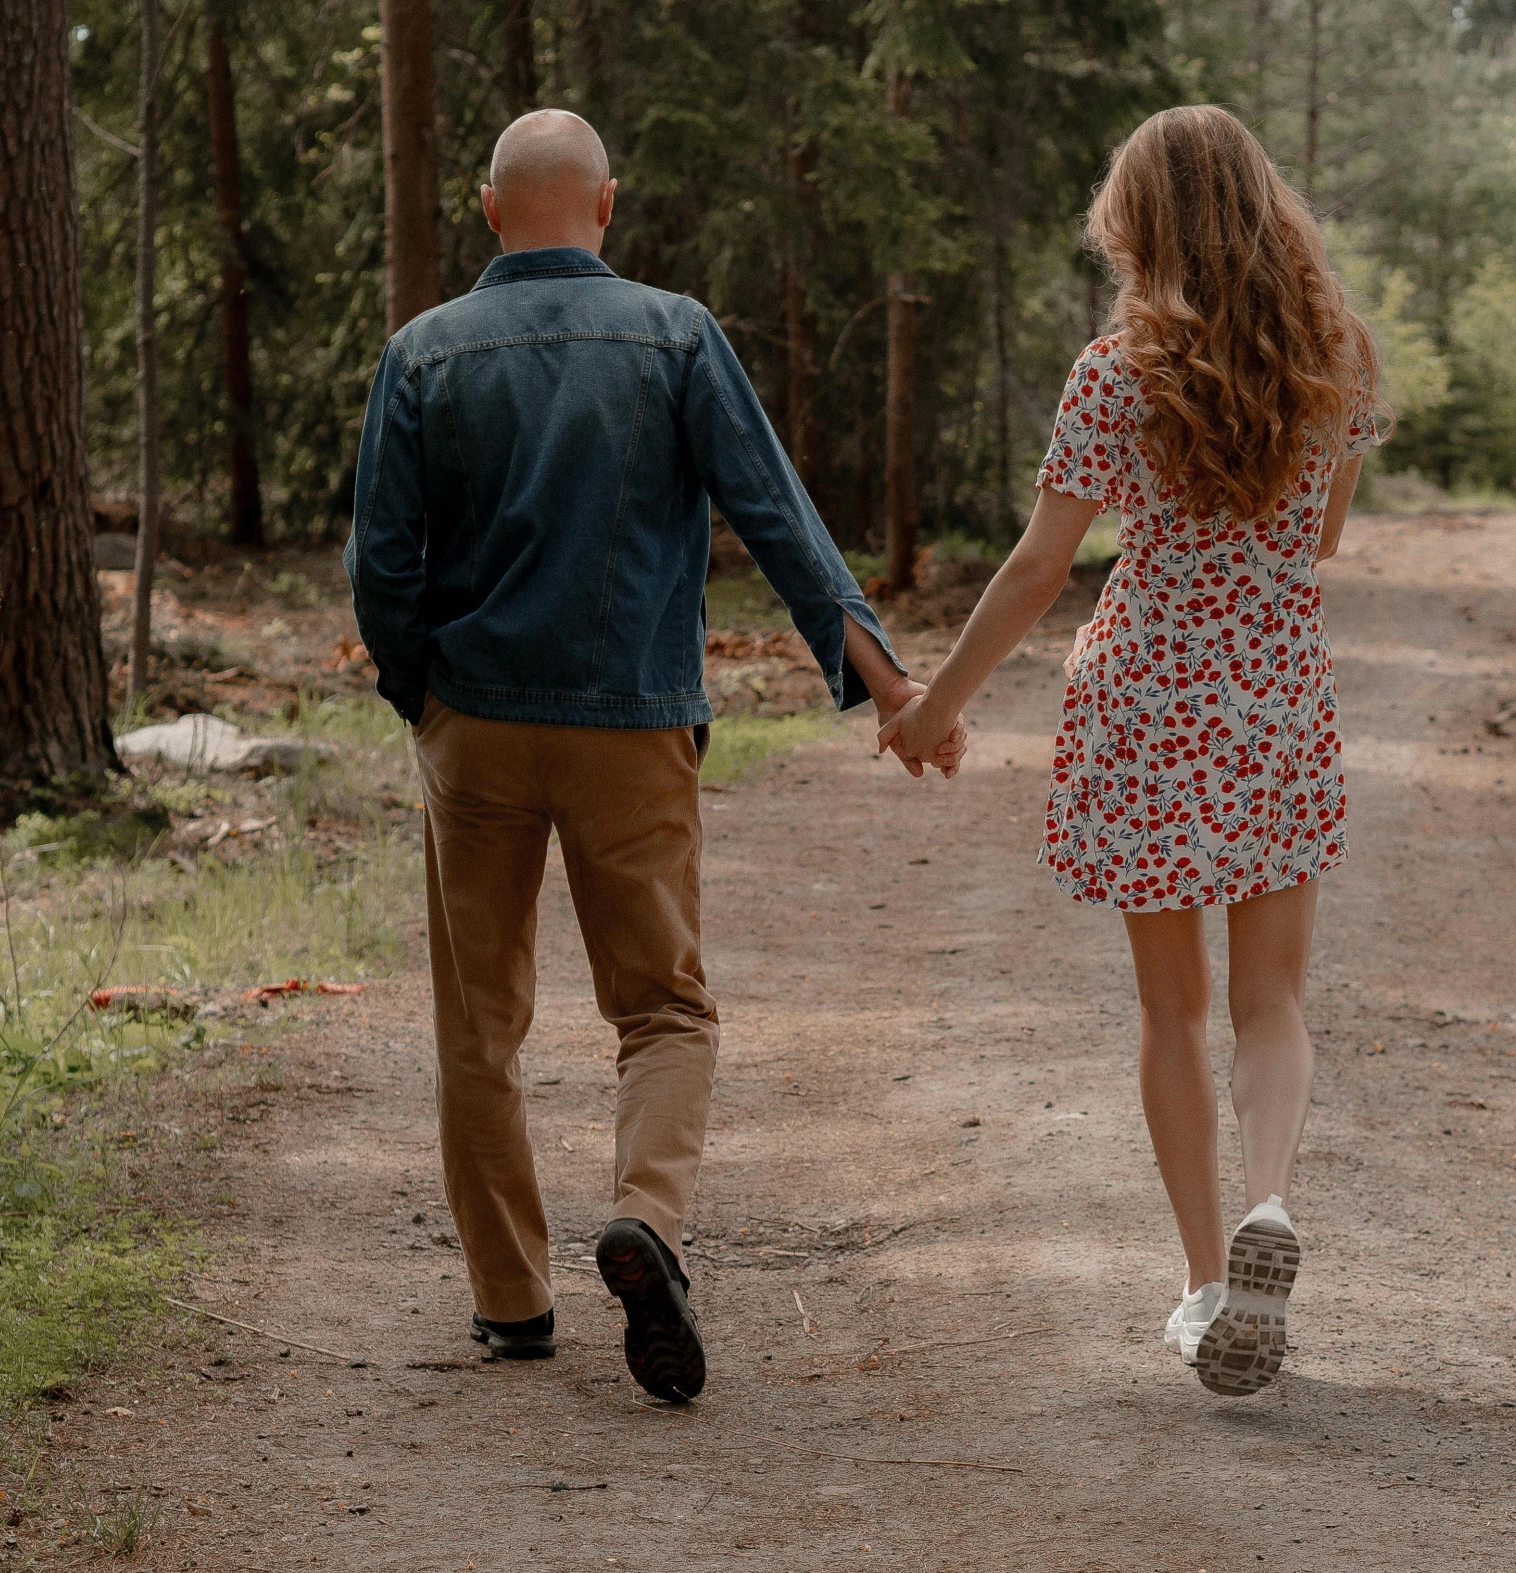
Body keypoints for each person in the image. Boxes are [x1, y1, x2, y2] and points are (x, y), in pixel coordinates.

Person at [345, 109, 961, 1404]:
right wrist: (890, 681)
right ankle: (647, 1221)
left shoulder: (421, 354)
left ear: (489, 208)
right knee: (665, 1010)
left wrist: (426, 697)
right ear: (608, 206)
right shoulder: (675, 331)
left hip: (478, 724)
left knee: (479, 1026)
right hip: (631, 723)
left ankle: (512, 1303)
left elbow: (380, 567)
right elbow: (777, 517)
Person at [880, 105, 1388, 1398]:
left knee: (1173, 1009)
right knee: (1273, 1004)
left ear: (1141, 226)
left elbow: (1047, 561)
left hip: (1150, 705)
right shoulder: (1338, 359)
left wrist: (934, 703)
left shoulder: (1114, 372)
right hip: (1274, 696)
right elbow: (1320, 544)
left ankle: (1210, 1279)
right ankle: (1268, 1202)